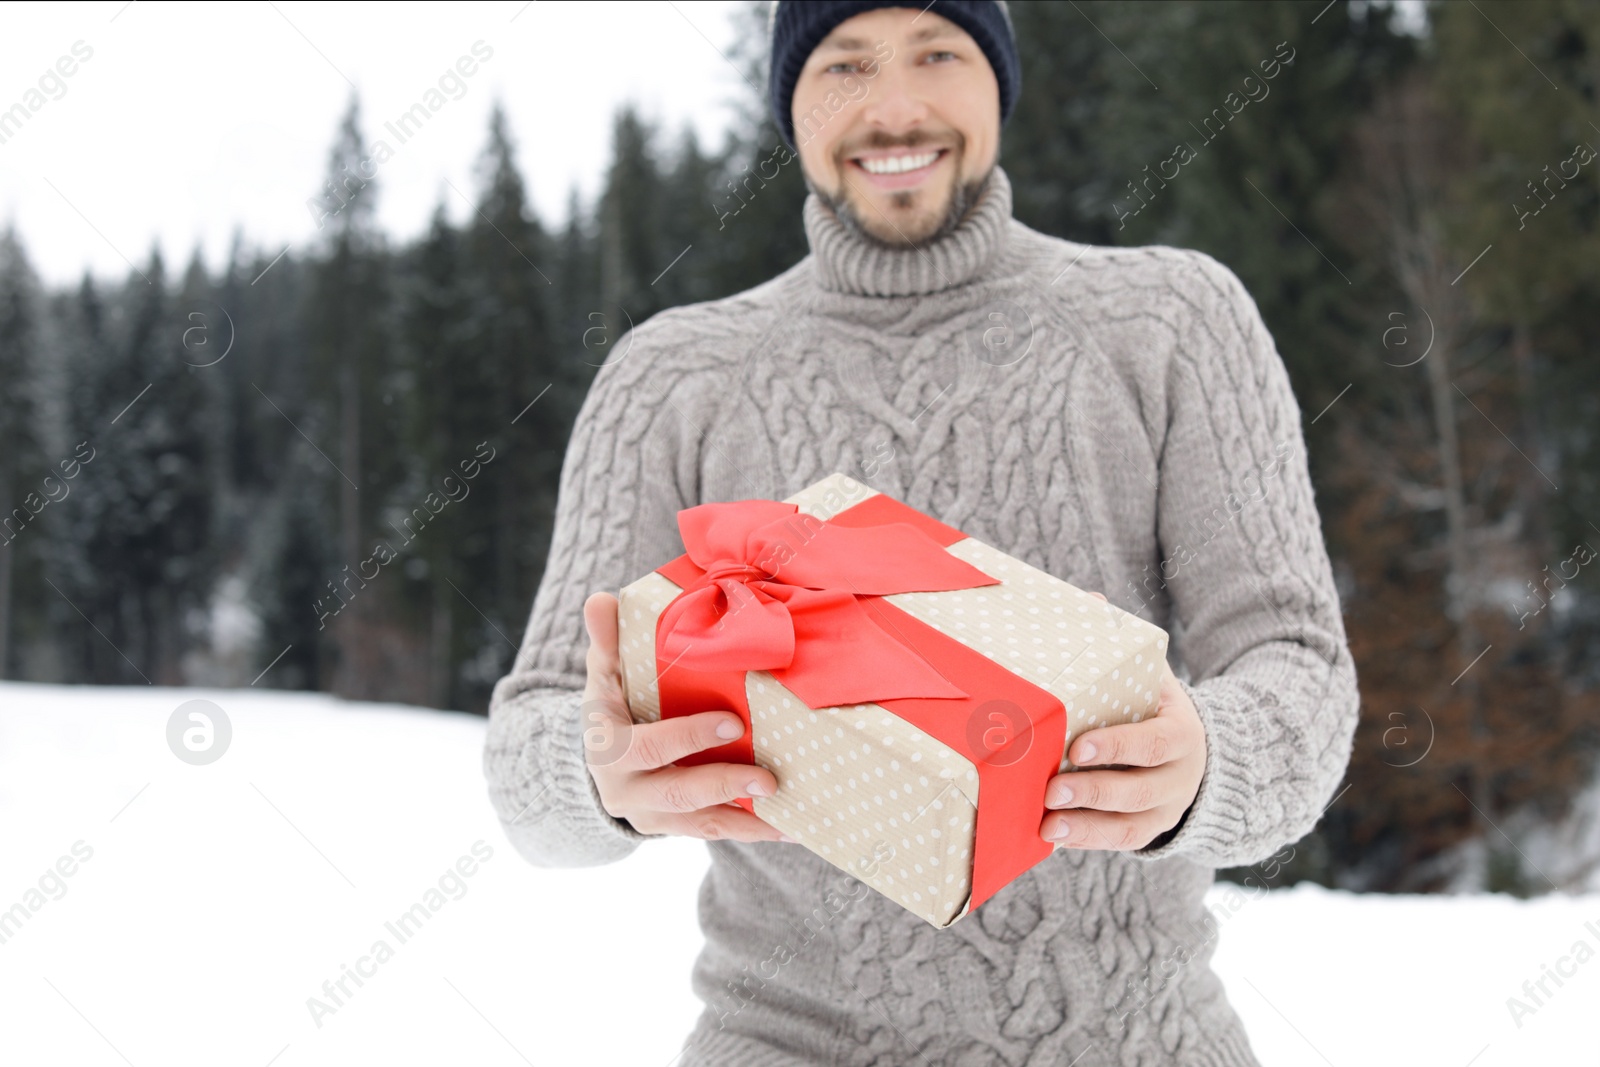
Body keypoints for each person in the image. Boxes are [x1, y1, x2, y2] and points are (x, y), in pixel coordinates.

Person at [483, 1, 1359, 1063]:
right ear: (790, 106)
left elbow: (1298, 667)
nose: (894, 107)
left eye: (937, 52)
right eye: (843, 64)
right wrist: (597, 779)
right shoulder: (674, 377)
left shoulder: (1170, 321)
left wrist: (1207, 762)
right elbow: (531, 742)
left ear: (998, 78)